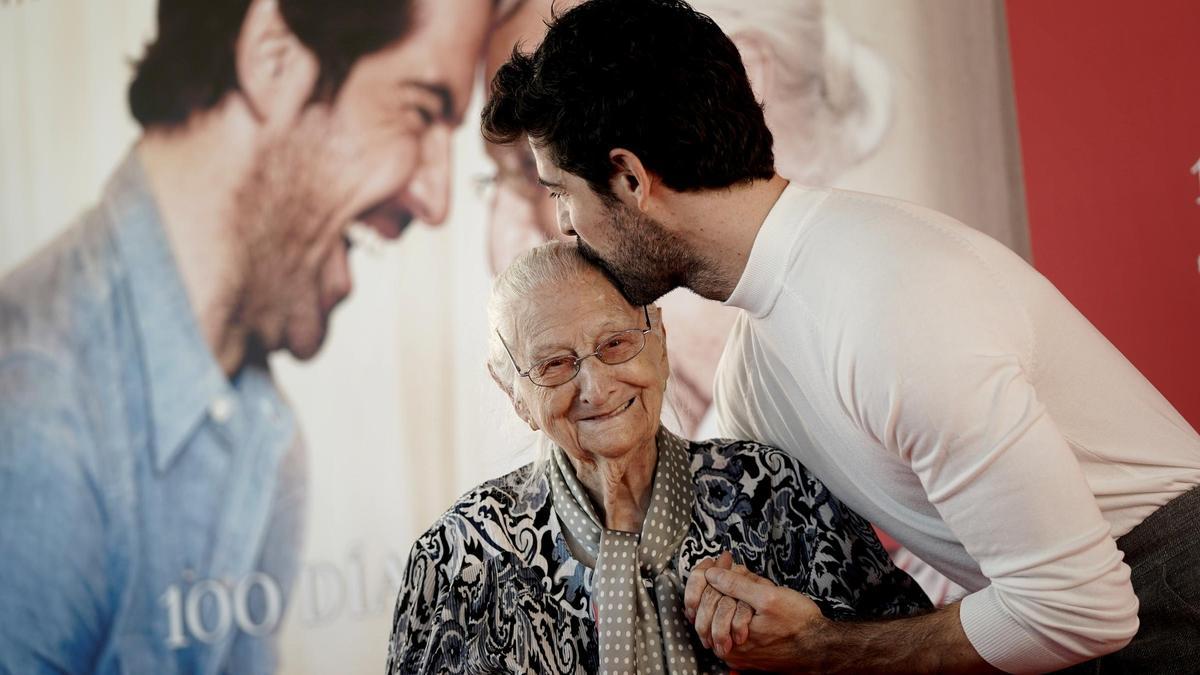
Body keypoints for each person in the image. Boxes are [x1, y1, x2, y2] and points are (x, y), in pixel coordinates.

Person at [480, 0, 1200, 672]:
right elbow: (694, 520)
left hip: (1171, 599)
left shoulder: (887, 306)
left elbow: (1082, 610)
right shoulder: (763, 346)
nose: (564, 227)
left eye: (560, 193)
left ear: (630, 178)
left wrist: (822, 645)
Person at [0, 0, 491, 671]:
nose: (438, 201)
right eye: (421, 108)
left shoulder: (261, 433)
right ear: (275, 57)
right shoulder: (34, 418)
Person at [385, 240, 929, 674]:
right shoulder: (458, 556)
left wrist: (811, 652)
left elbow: (914, 650)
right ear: (515, 395)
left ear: (660, 343)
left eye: (616, 343)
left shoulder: (776, 494)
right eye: (553, 364)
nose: (595, 387)